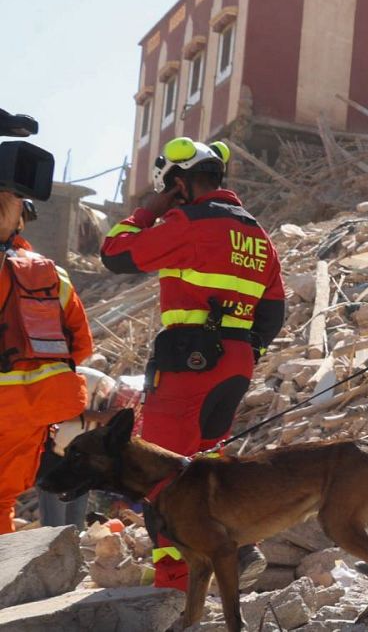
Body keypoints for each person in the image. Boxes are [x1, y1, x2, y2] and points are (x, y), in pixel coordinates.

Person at [100, 137, 285, 592]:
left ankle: (176, 579)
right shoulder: (257, 234)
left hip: (189, 364)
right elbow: (274, 310)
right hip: (236, 363)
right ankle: (234, 551)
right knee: (207, 467)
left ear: (180, 184)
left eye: (171, 188)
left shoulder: (187, 221)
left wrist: (152, 207)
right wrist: (246, 349)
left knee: (161, 475)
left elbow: (115, 253)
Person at [0, 188, 93, 533]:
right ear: (22, 221)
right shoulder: (51, 276)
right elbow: (80, 347)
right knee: (1, 499)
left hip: (26, 410)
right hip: (28, 411)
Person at [35, 364, 134, 528]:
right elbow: (55, 410)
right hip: (55, 455)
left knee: (75, 524)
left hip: (80, 460)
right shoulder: (83, 382)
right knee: (53, 525)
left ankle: (73, 551)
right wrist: (100, 417)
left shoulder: (109, 391)